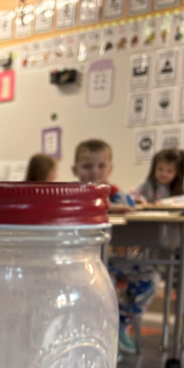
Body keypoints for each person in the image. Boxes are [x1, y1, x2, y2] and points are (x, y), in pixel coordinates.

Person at [72, 138, 154, 353]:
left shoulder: (118, 194)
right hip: (79, 264)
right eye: (87, 166)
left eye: (101, 166)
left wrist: (120, 206)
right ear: (75, 169)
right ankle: (91, 335)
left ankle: (121, 323)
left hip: (111, 261)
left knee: (149, 278)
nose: (95, 172)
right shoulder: (72, 195)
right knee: (93, 285)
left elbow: (130, 209)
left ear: (110, 168)